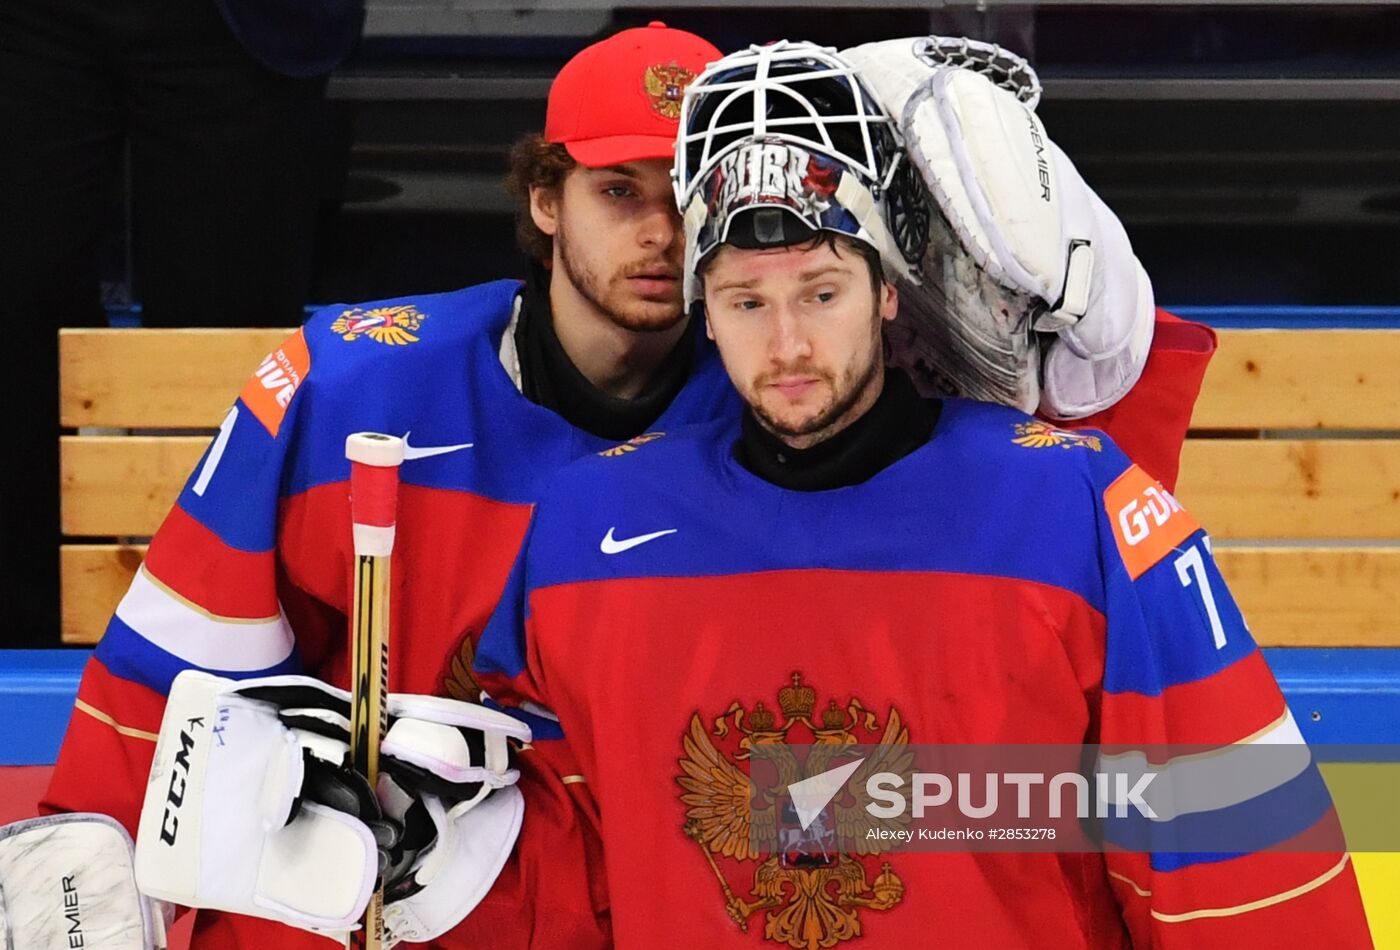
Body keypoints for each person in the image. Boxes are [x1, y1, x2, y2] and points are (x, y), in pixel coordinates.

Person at [19, 25, 1214, 950]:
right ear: (543, 201)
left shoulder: (781, 410)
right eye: (614, 190)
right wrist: (96, 867)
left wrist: (1111, 340)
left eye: (673, 196)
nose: (657, 235)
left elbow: (1019, 642)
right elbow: (164, 673)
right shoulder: (349, 391)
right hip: (414, 890)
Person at [473, 41, 1373, 948]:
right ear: (704, 309)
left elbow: (1239, 855)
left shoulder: (1074, 509)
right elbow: (562, 864)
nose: (786, 346)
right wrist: (439, 856)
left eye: (821, 293)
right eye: (747, 303)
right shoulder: (585, 527)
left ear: (891, 294)